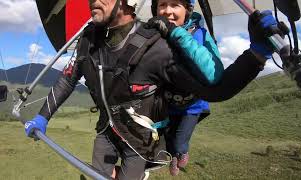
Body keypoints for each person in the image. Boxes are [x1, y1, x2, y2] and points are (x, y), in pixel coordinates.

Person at [23, 0, 280, 179]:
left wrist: (256, 54)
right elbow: (68, 78)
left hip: (141, 141)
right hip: (106, 130)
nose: (93, 2)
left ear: (127, 1)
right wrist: (43, 116)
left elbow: (215, 90)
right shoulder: (89, 39)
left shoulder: (155, 47)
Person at [149, 0, 222, 176]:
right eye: (162, 4)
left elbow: (215, 73)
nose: (167, 11)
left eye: (175, 4)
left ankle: (182, 152)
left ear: (187, 10)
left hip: (192, 105)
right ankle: (174, 156)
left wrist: (177, 34)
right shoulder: (152, 36)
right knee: (170, 139)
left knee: (181, 141)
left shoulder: (200, 34)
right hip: (167, 105)